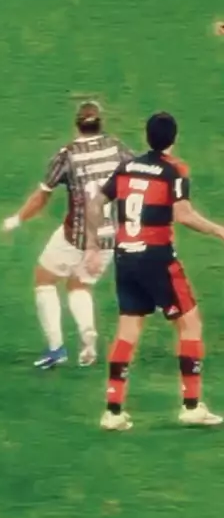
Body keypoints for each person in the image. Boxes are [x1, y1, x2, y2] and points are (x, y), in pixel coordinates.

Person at [84, 111, 224, 430]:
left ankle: (113, 412)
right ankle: (192, 406)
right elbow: (183, 214)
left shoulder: (127, 167)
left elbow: (95, 204)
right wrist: (218, 230)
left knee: (128, 331)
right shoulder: (174, 170)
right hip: (157, 259)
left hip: (125, 258)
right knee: (190, 324)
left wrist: (92, 246)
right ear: (174, 138)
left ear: (147, 136)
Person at [2, 101, 132, 368]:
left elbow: (42, 196)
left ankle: (56, 348)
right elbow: (140, 173)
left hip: (77, 235)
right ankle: (87, 332)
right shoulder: (117, 148)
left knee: (44, 279)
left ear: (77, 125)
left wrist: (17, 218)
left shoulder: (68, 155)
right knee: (79, 285)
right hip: (109, 237)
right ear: (100, 124)